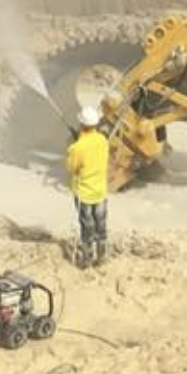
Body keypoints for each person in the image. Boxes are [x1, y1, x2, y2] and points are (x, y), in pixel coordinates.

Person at [65, 105, 110, 268]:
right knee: (101, 225)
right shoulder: (103, 141)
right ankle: (102, 256)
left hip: (84, 194)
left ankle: (87, 259)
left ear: (81, 124)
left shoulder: (76, 147)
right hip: (101, 192)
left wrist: (73, 143)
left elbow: (71, 168)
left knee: (87, 227)